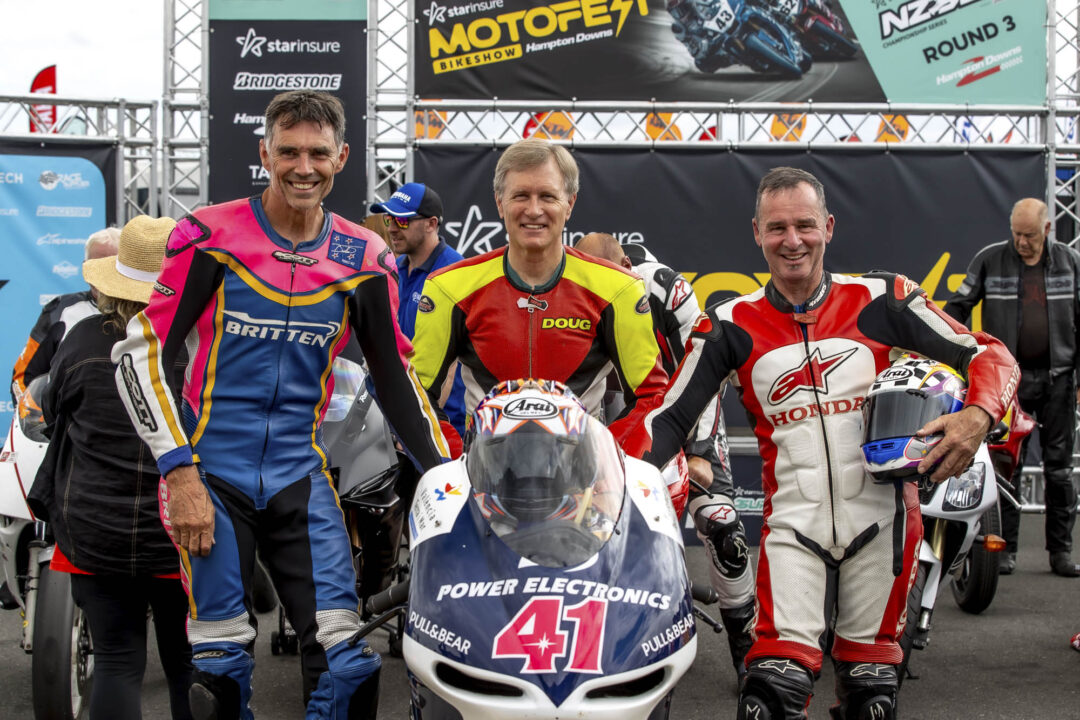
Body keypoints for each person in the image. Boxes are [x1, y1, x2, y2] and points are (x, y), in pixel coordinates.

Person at [622, 167, 1019, 719]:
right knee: (768, 699)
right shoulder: (728, 325)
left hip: (883, 527)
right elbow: (666, 420)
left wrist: (978, 414)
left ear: (828, 227)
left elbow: (988, 354)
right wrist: (607, 478)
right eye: (777, 228)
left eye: (805, 225)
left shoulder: (883, 299)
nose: (793, 241)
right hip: (792, 530)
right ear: (757, 233)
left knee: (871, 699)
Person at [110, 90, 451, 720]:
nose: (303, 167)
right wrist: (178, 472)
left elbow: (394, 378)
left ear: (341, 157)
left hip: (301, 474)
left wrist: (446, 477)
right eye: (288, 151)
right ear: (265, 153)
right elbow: (140, 354)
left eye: (318, 153)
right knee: (219, 671)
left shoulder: (365, 255)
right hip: (210, 475)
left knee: (349, 666)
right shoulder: (208, 234)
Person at [27, 215, 192, 720]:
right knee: (187, 666)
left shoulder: (81, 340)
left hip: (95, 529)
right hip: (182, 530)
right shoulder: (197, 348)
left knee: (117, 661)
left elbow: (51, 409)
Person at [574, 232, 755, 679]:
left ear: (626, 268)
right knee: (583, 521)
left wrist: (699, 452)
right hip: (606, 415)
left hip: (681, 410)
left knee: (720, 522)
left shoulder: (665, 289)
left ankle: (747, 647)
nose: (602, 291)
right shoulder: (568, 286)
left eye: (609, 279)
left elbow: (705, 372)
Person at [410, 138, 669, 444]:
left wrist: (613, 460)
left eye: (547, 196)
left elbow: (652, 396)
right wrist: (453, 458)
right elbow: (417, 396)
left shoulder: (618, 288)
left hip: (584, 469)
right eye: (520, 195)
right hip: (481, 466)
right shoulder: (449, 287)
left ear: (569, 204)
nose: (533, 210)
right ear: (499, 203)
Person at [944, 198, 1080, 577]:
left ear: (1047, 230)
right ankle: (1004, 551)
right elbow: (957, 307)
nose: (1021, 241)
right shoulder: (990, 259)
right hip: (1008, 382)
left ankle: (1060, 553)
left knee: (1059, 470)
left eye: (1030, 235)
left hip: (1059, 380)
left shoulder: (1071, 262)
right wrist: (949, 348)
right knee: (1007, 468)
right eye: (1017, 234)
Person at [369, 182, 467, 436]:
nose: (391, 228)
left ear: (431, 224)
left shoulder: (454, 273)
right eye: (389, 219)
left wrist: (422, 426)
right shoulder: (394, 268)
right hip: (398, 418)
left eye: (402, 221)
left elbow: (451, 366)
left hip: (441, 425)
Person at [10, 226, 120, 407]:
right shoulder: (60, 311)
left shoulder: (145, 311)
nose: (101, 275)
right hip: (70, 422)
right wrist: (37, 419)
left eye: (110, 266)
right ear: (84, 268)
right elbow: (23, 378)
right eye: (94, 266)